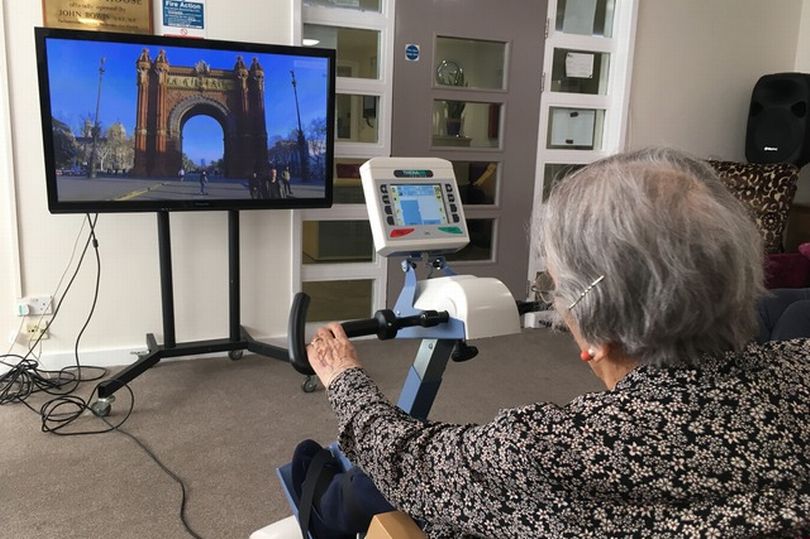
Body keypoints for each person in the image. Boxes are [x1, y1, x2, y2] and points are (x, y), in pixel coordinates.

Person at [301, 147, 809, 538]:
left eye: (556, 287)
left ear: (601, 333)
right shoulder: (798, 364)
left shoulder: (553, 453)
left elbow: (407, 461)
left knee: (382, 487)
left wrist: (345, 378)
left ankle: (323, 507)